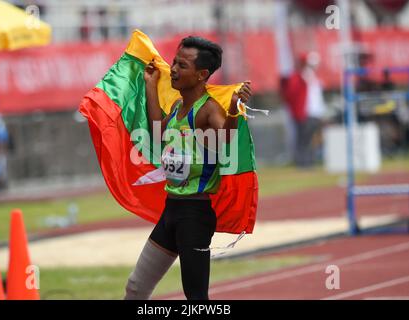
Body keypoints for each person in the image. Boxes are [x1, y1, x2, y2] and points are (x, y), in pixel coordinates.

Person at [124, 36, 252, 300]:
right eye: (174, 62)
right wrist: (150, 85)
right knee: (136, 288)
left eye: (182, 65)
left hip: (194, 216)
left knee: (196, 298)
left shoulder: (208, 110)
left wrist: (233, 113)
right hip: (171, 211)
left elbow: (226, 141)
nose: (172, 69)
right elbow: (159, 134)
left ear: (201, 74)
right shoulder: (177, 108)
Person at [281, 51, 327, 167]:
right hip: (304, 113)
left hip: (314, 113)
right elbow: (291, 93)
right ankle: (303, 163)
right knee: (303, 139)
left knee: (310, 138)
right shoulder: (298, 77)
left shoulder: (312, 77)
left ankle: (309, 161)